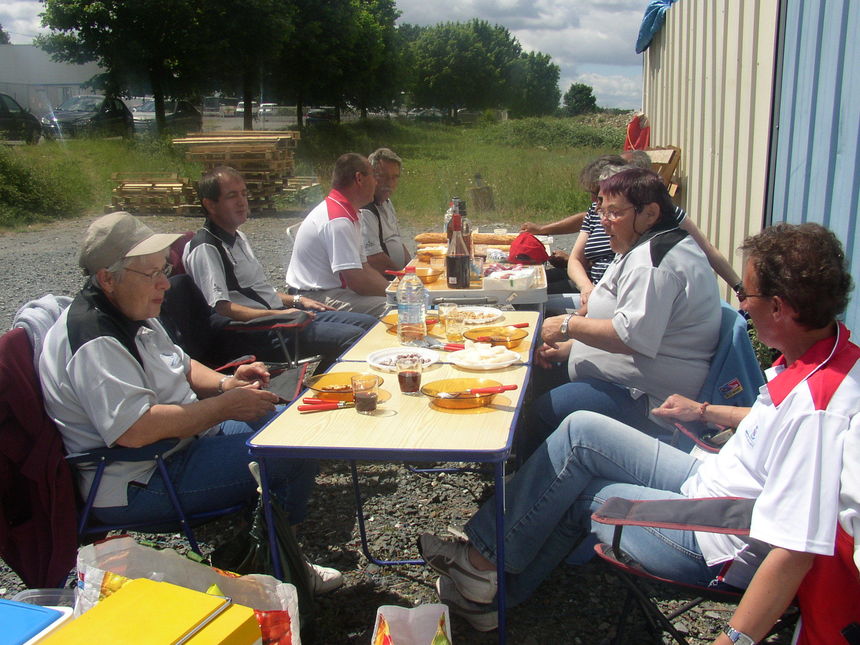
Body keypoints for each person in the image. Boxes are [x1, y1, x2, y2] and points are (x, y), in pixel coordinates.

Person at [419, 222, 858, 639]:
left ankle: (486, 586)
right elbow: (775, 425)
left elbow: (795, 550)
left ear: (779, 307)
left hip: (718, 535)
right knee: (579, 430)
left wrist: (735, 641)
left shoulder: (819, 410)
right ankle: (484, 571)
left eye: (747, 293)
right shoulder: (825, 354)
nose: (742, 304)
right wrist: (705, 409)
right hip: (708, 477)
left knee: (581, 496)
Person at [39, 212, 342, 593]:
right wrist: (226, 405)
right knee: (289, 450)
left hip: (178, 447)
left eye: (163, 269)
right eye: (151, 274)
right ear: (107, 278)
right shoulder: (95, 339)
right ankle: (283, 570)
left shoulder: (131, 310)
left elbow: (182, 365)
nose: (165, 283)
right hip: (139, 479)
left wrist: (226, 381)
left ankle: (271, 555)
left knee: (293, 425)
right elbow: (135, 430)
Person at [526, 168, 721, 455]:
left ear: (650, 214)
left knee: (541, 412)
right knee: (530, 378)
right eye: (601, 212)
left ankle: (535, 494)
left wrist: (569, 326)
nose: (604, 223)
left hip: (651, 400)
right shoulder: (644, 245)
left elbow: (629, 336)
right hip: (627, 380)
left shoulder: (653, 264)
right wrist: (571, 348)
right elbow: (627, 318)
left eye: (614, 213)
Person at [183, 166, 377, 369]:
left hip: (279, 316)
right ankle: (318, 391)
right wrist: (279, 315)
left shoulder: (238, 237)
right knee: (353, 337)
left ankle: (328, 384)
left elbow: (256, 291)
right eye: (232, 196)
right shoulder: (206, 247)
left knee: (368, 324)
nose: (242, 202)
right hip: (259, 332)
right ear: (210, 205)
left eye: (244, 194)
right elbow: (221, 309)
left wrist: (297, 300)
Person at [286, 153, 390, 316]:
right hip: (315, 297)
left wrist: (395, 290)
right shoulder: (338, 219)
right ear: (359, 179)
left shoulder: (347, 213)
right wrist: (399, 295)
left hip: (330, 292)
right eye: (373, 176)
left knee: (400, 303)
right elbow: (358, 282)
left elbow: (364, 268)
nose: (376, 182)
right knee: (397, 309)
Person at [359, 148, 411, 275]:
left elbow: (397, 240)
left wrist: (412, 269)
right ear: (370, 176)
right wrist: (403, 278)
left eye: (394, 177)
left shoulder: (386, 202)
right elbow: (374, 259)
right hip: (383, 280)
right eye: (383, 176)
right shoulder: (365, 210)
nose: (389, 183)